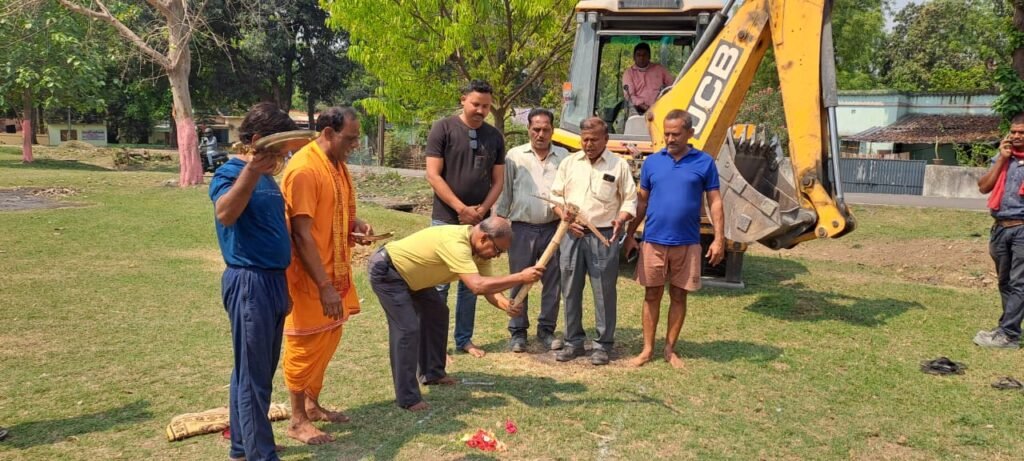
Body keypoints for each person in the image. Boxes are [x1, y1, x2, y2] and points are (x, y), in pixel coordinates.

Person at [367, 217, 544, 410]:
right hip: (389, 271)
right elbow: (476, 286)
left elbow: (488, 288)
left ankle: (432, 373)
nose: (497, 256)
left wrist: (505, 304)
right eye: (497, 250)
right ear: (484, 238)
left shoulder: (479, 253)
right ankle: (408, 398)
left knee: (437, 312)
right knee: (407, 329)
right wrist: (520, 277)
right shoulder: (456, 243)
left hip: (415, 278)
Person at [209, 102, 297, 461]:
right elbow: (226, 213)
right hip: (249, 282)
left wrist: (285, 286)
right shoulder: (229, 173)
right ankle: (261, 454)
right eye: (278, 149)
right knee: (253, 375)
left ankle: (243, 446)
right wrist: (251, 172)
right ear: (258, 141)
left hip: (273, 282)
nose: (283, 157)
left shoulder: (269, 179)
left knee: (255, 369)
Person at [280, 107, 374, 444]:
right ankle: (296, 419)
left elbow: (332, 212)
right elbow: (302, 234)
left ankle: (312, 403)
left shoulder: (336, 166)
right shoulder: (305, 169)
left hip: (336, 272)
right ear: (328, 133)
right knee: (304, 344)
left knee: (328, 339)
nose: (354, 145)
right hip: (311, 278)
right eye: (349, 138)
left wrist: (355, 225)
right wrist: (323, 286)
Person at [623, 110, 725, 368]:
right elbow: (642, 202)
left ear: (690, 133)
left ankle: (670, 349)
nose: (669, 138)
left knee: (679, 296)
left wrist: (719, 239)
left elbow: (715, 202)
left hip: (687, 242)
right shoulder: (652, 163)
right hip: (653, 241)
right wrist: (630, 235)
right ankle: (647, 350)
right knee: (651, 294)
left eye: (676, 134)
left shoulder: (704, 163)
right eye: (666, 134)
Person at [425, 80, 506, 358]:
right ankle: (435, 343)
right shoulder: (443, 128)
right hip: (445, 219)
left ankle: (464, 339)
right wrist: (461, 208)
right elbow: (433, 175)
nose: (481, 110)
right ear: (463, 99)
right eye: (476, 104)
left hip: (478, 223)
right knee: (439, 284)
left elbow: (498, 181)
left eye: (486, 106)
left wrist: (481, 211)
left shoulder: (494, 136)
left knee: (471, 285)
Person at [550, 117, 637, 365]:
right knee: (570, 289)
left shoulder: (618, 165)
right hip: (572, 233)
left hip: (603, 235)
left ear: (606, 140)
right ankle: (573, 342)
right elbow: (555, 196)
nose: (589, 144)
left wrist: (621, 219)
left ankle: (602, 345)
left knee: (604, 291)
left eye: (594, 140)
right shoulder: (569, 163)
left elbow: (630, 199)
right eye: (585, 139)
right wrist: (563, 215)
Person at [495, 108, 569, 352]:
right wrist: (501, 223)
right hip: (520, 230)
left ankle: (546, 330)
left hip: (553, 230)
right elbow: (506, 192)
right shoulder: (515, 156)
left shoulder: (564, 156)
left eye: (545, 129)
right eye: (536, 129)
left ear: (552, 131)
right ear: (528, 129)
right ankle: (517, 332)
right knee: (518, 279)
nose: (540, 134)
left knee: (553, 282)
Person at [974, 112, 1024, 349]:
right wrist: (1003, 160)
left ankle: (1009, 335)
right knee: (1004, 282)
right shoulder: (1003, 157)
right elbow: (984, 187)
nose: (1016, 136)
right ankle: (1007, 327)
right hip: (1000, 229)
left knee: (1019, 283)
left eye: (1021, 133)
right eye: (1013, 132)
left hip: (1022, 229)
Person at [622, 42, 673, 115]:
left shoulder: (660, 69)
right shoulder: (629, 73)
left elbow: (672, 86)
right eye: (638, 55)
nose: (641, 58)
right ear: (634, 57)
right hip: (637, 111)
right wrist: (645, 107)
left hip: (659, 109)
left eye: (644, 55)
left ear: (649, 56)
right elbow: (629, 96)